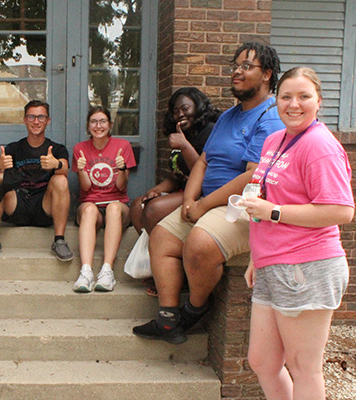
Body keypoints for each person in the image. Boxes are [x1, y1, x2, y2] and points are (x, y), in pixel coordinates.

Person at [132, 41, 285, 344]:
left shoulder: (271, 116)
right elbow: (203, 160)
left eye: (246, 66)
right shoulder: (229, 116)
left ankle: (195, 309)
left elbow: (253, 175)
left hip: (243, 209)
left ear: (267, 74)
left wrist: (202, 205)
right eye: (235, 66)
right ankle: (167, 319)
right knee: (161, 235)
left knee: (200, 243)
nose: (236, 72)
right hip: (208, 202)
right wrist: (189, 200)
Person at [243, 67, 353, 400]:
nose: (294, 104)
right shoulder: (275, 140)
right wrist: (254, 257)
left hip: (307, 266)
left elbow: (341, 210)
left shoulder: (320, 146)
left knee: (304, 366)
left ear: (318, 101)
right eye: (286, 96)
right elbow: (268, 197)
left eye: (304, 96)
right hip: (269, 263)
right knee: (262, 360)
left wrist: (273, 213)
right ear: (276, 99)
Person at [0, 100, 73, 262]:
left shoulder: (56, 149)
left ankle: (59, 240)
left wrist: (57, 164)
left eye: (41, 117)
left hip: (45, 206)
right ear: (25, 120)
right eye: (31, 117)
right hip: (17, 205)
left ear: (48, 121)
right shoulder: (14, 148)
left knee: (60, 180)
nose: (36, 121)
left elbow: (65, 170)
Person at [129, 87, 220, 235]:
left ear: (198, 107)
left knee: (153, 209)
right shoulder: (183, 132)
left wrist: (184, 146)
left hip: (202, 192)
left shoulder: (210, 131)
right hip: (184, 189)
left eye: (185, 108)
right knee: (137, 206)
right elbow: (179, 175)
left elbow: (203, 172)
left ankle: (162, 251)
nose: (180, 114)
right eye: (175, 111)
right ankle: (150, 250)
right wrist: (159, 189)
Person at [71, 105, 136, 292]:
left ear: (110, 124)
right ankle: (86, 272)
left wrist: (122, 169)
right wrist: (82, 170)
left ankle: (107, 271)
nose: (98, 126)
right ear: (88, 125)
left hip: (117, 205)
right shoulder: (80, 149)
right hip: (91, 205)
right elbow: (85, 188)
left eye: (102, 121)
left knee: (114, 207)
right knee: (90, 208)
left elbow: (121, 187)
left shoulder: (122, 146)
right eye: (93, 121)